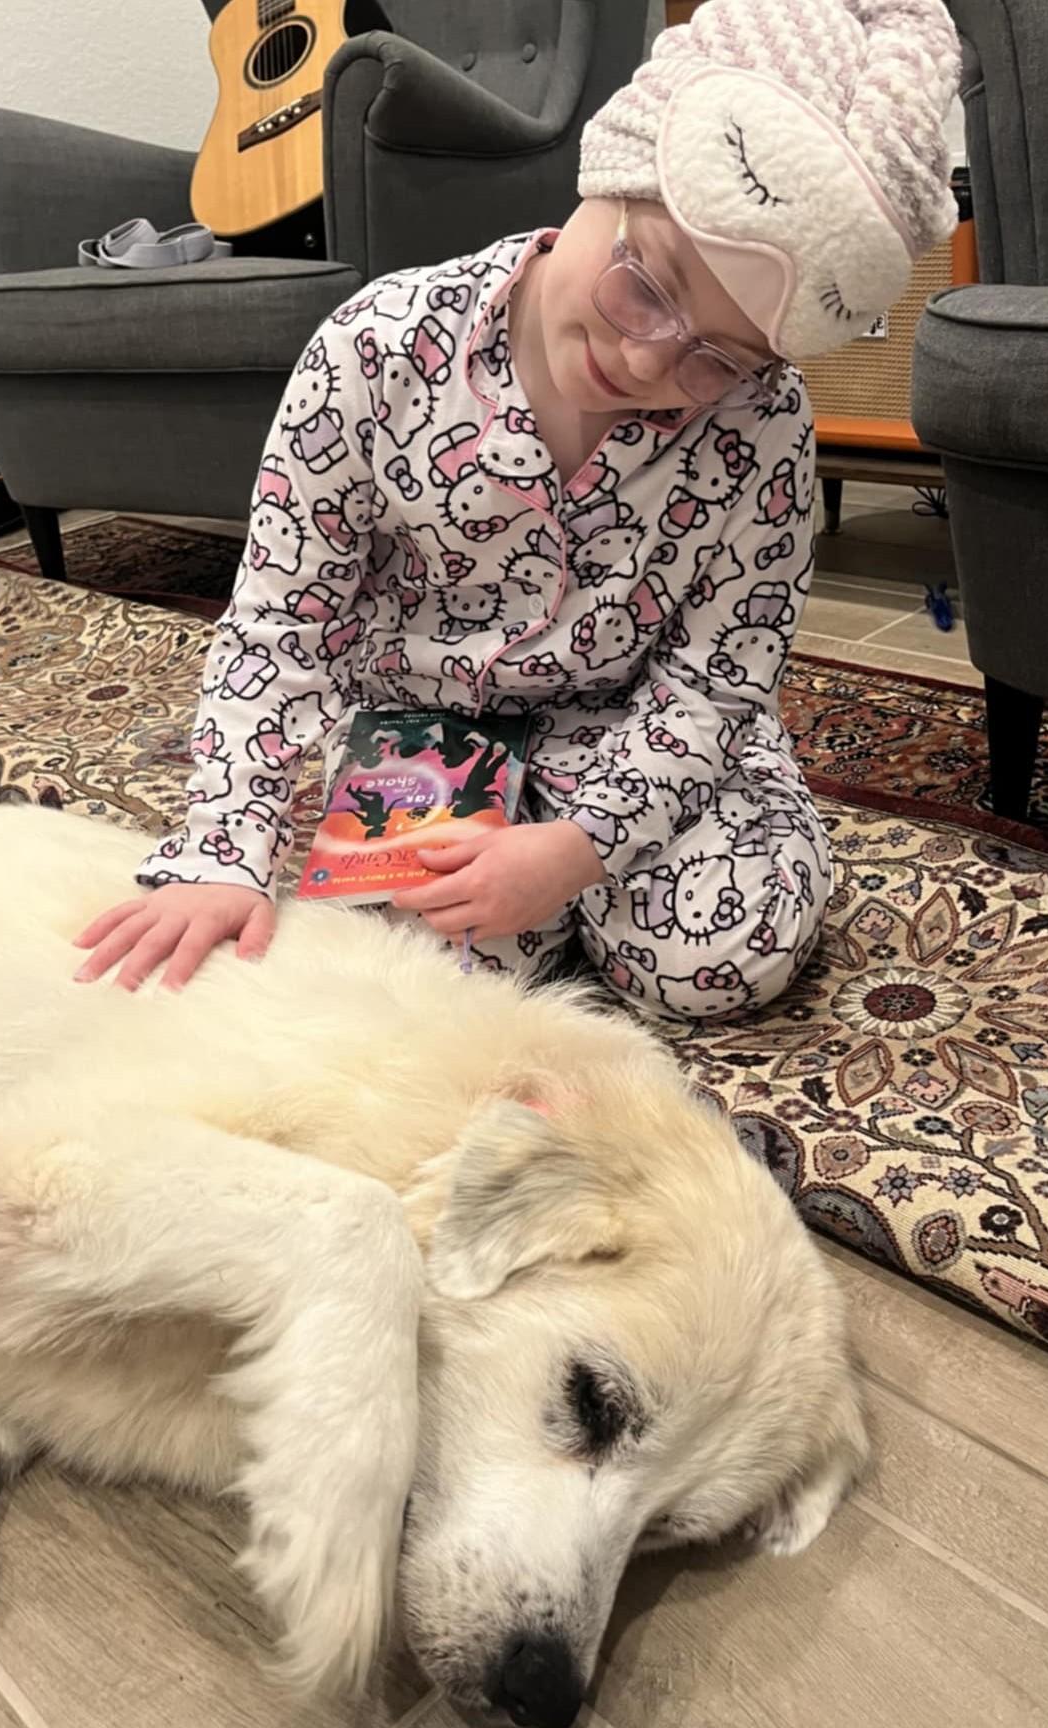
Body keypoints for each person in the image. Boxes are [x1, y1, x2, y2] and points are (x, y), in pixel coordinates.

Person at [74, 0, 959, 1021]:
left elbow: (718, 683)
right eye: (644, 286)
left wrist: (574, 851)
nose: (646, 362)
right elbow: (282, 624)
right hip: (421, 721)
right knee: (414, 978)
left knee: (718, 962)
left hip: (635, 722)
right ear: (607, 175)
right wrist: (227, 848)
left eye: (716, 357)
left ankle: (623, 879)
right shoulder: (375, 350)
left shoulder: (763, 426)